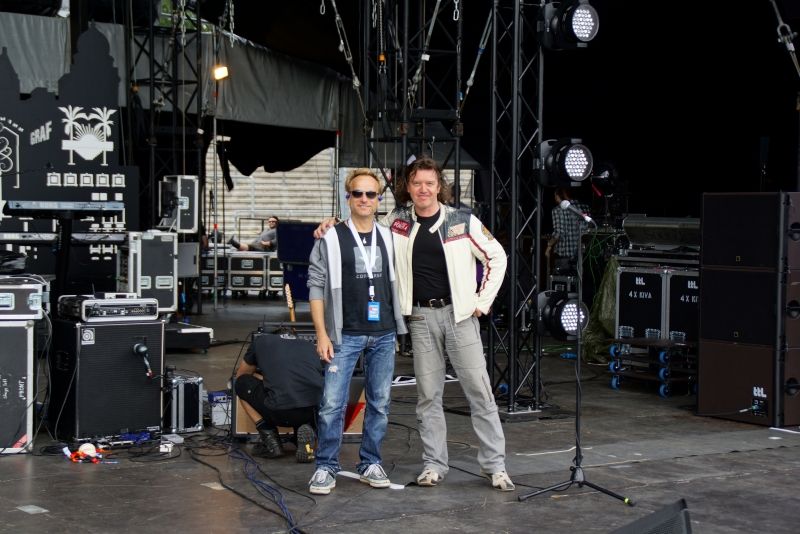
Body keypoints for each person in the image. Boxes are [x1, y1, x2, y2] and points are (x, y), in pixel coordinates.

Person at [314, 156, 514, 492]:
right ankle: (434, 465)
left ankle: (495, 466)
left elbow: (497, 256)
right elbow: (362, 223)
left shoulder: (462, 220)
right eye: (417, 183)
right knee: (428, 397)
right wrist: (330, 224)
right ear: (408, 187)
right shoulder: (397, 222)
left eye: (429, 183)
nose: (423, 189)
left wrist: (481, 302)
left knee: (480, 393)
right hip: (420, 318)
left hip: (460, 316)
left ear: (439, 187)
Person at [306, 168, 407, 496]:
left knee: (380, 402)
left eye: (371, 194)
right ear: (347, 198)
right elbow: (316, 286)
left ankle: (370, 462)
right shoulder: (330, 237)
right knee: (332, 404)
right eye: (358, 193)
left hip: (384, 332)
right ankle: (326, 466)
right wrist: (322, 333)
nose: (365, 199)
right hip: (344, 333)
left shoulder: (390, 236)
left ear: (378, 199)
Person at [234, 331, 324, 462]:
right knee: (298, 393)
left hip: (279, 411)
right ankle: (306, 437)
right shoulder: (310, 345)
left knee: (241, 383)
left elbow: (242, 374)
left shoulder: (261, 341)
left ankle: (271, 442)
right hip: (310, 412)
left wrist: (264, 377)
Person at [546, 187, 590, 275]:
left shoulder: (557, 210)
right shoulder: (585, 207)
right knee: (579, 281)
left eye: (555, 195)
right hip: (581, 255)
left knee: (561, 280)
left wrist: (549, 245)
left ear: (560, 195)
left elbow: (559, 232)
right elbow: (587, 230)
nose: (555, 198)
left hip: (564, 256)